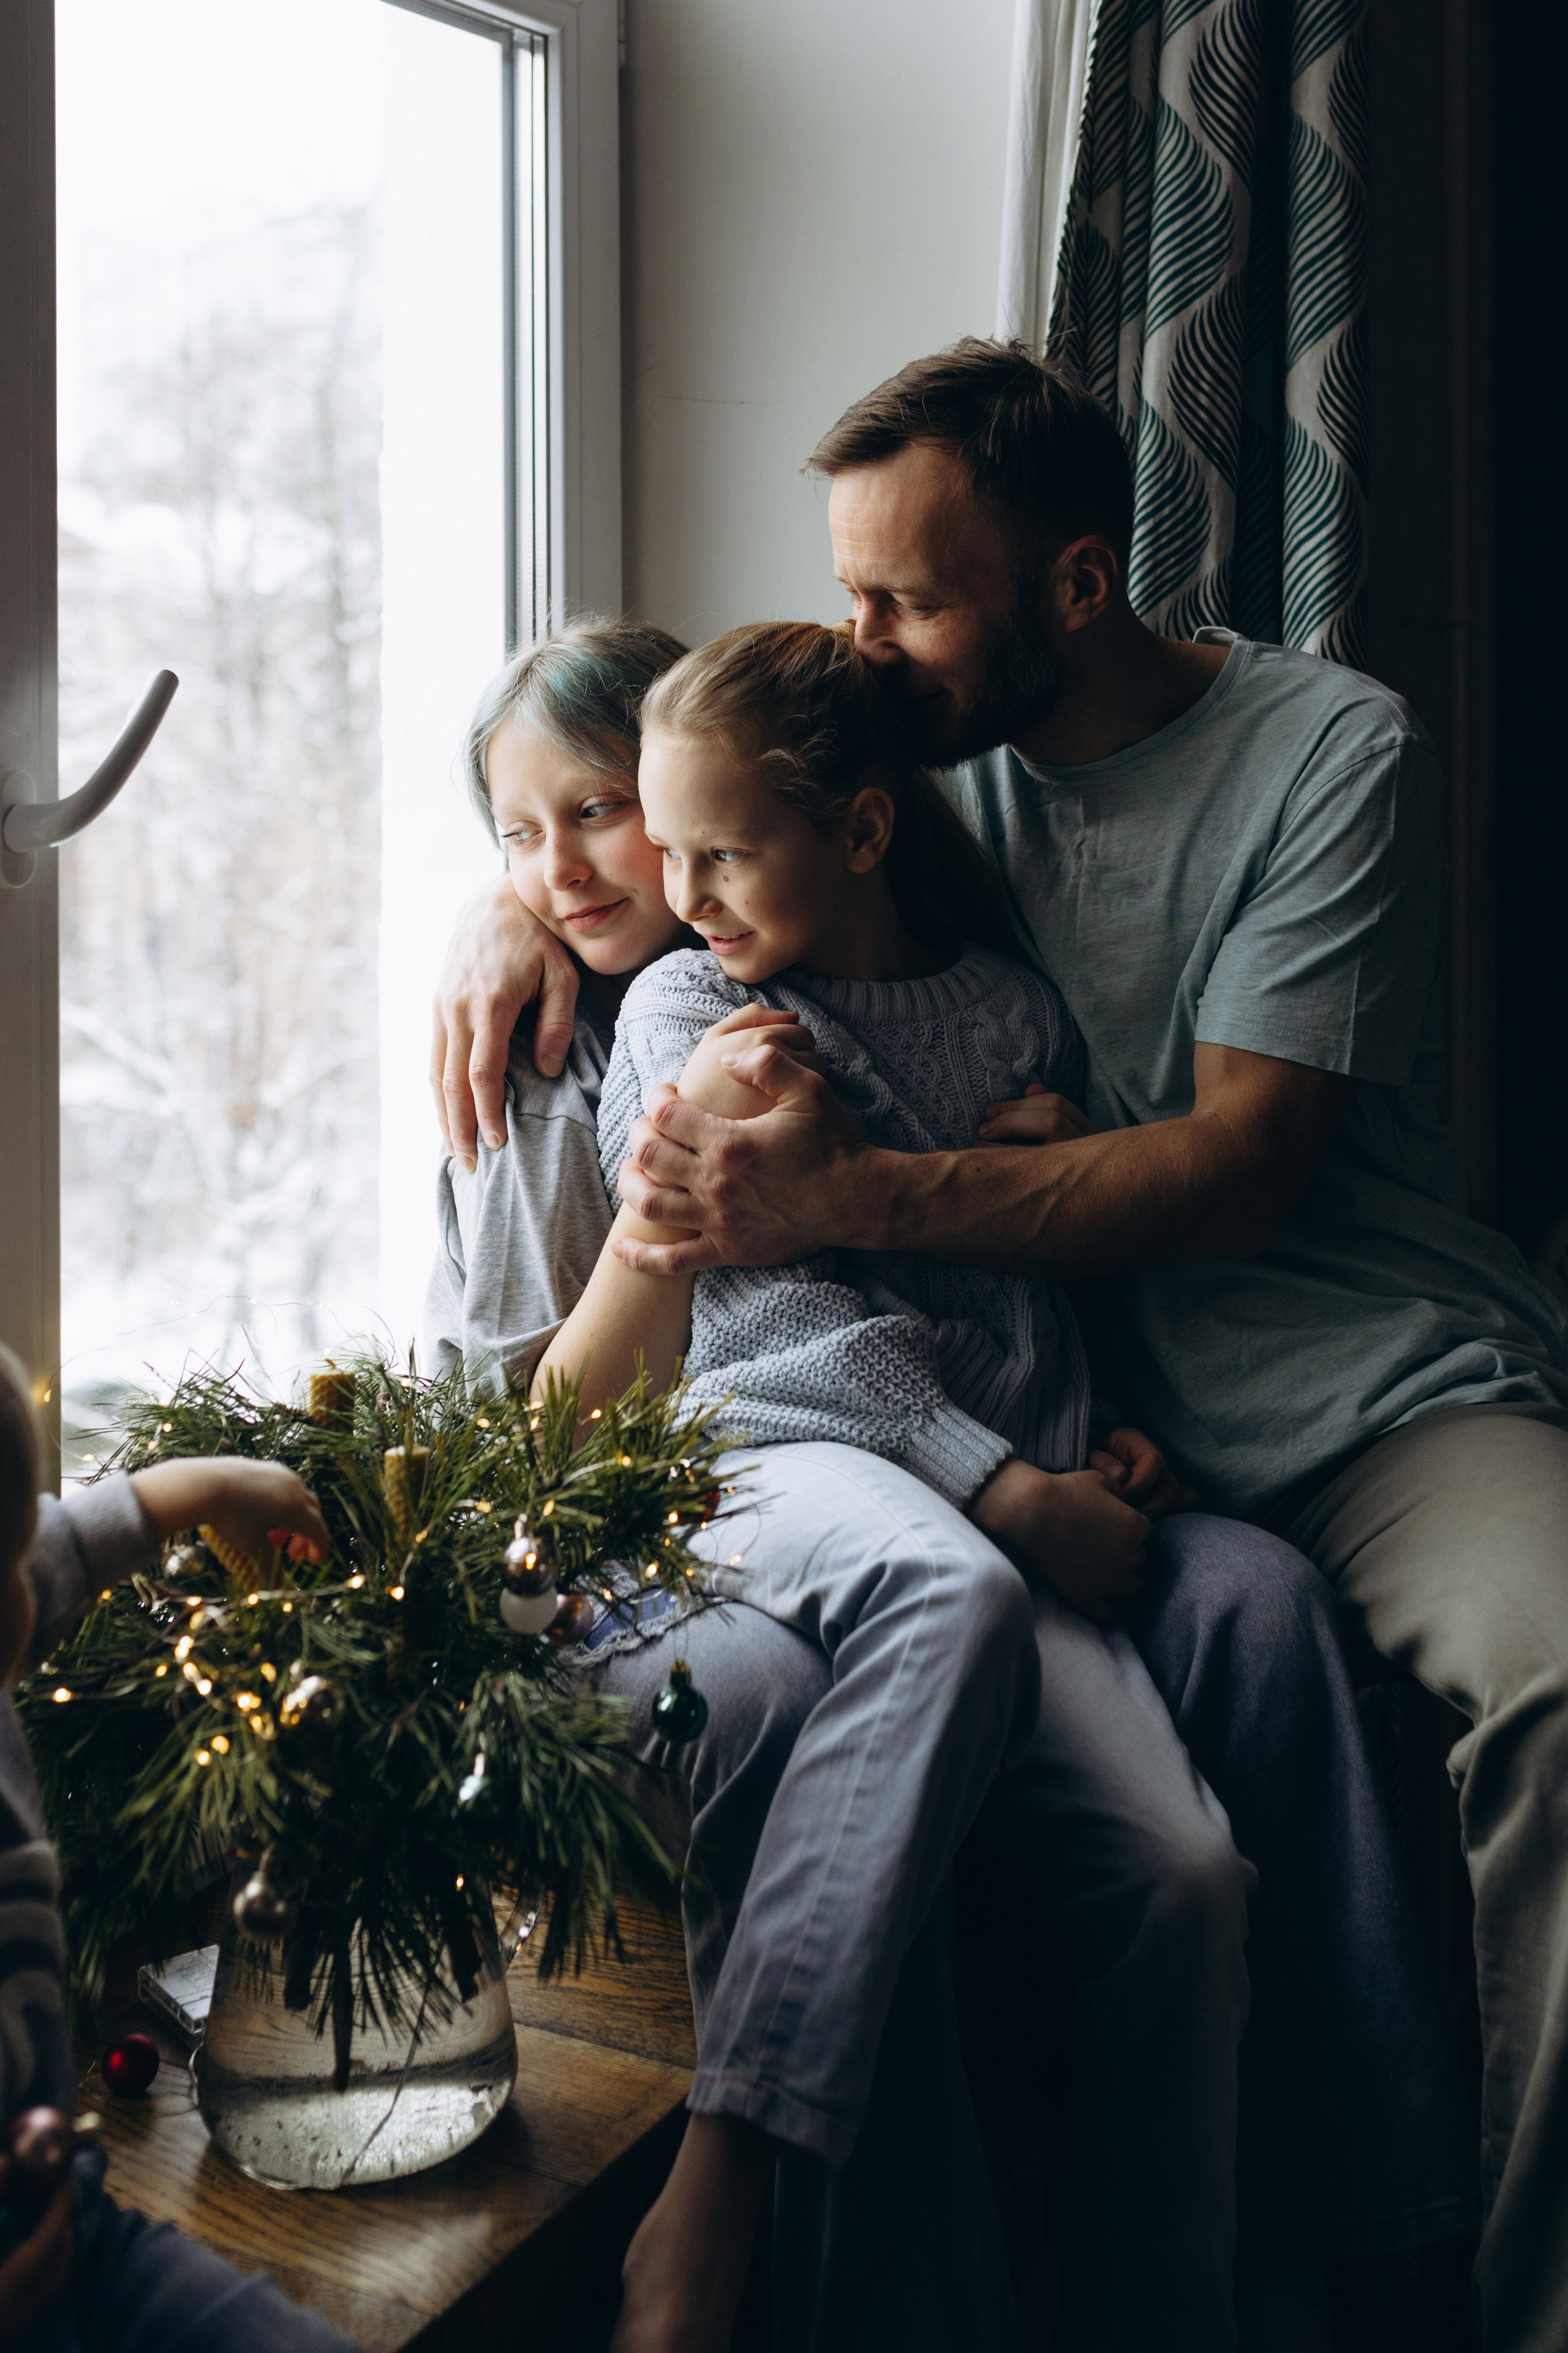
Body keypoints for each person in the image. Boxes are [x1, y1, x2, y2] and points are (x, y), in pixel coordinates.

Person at [434, 339, 1568, 2353]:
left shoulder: (1303, 753)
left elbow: (1228, 1175)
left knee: (1467, 1687)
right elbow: (708, 802)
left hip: (1336, 1378)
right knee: (1009, 1657)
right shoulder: (875, 803)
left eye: (905, 601)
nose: (864, 644)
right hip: (988, 1440)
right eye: (850, 594)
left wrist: (885, 1219)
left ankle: (1398, 2285)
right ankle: (836, 2209)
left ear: (1070, 587)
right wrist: (535, 902)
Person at [0, 1343, 355, 2352]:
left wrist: (202, 1490)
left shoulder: (8, 1608)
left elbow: (60, 1550)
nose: (33, 1591)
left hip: (76, 2233)